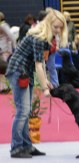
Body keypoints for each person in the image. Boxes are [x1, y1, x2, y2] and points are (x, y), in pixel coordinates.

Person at [5, 9, 67, 158]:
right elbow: (39, 65)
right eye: (55, 27)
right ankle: (16, 148)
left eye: (60, 27)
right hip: (19, 71)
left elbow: (42, 64)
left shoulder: (47, 37)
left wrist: (46, 81)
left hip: (27, 72)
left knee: (25, 112)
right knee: (23, 111)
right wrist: (45, 88)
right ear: (48, 23)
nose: (58, 30)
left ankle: (27, 146)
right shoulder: (40, 37)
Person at [0, 11, 16, 93]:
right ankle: (3, 87)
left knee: (4, 69)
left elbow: (11, 36)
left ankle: (6, 86)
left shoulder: (3, 25)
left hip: (5, 50)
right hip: (2, 50)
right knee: (2, 70)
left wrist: (15, 48)